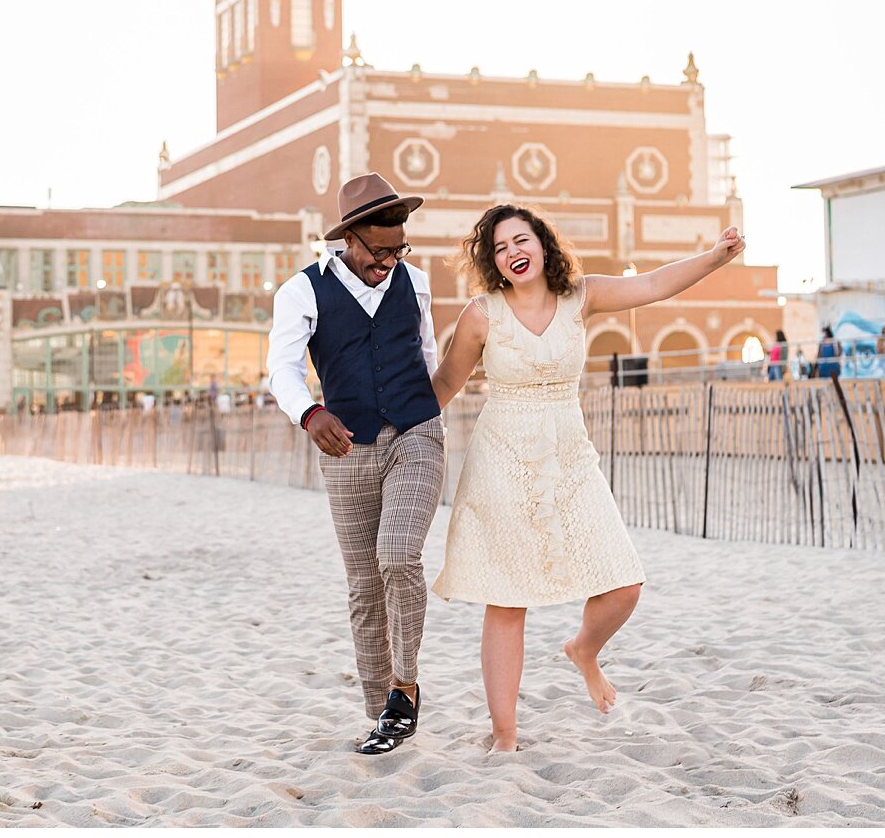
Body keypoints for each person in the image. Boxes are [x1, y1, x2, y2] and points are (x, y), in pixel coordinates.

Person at [429, 204, 745, 753]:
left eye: (521, 240)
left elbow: (651, 284)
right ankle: (505, 735)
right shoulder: (482, 315)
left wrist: (714, 259)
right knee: (507, 601)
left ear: (543, 244)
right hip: (502, 460)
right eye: (500, 248)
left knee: (624, 584)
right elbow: (440, 389)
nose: (513, 253)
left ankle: (584, 650)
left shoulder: (581, 296)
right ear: (493, 261)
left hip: (571, 459)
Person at [267, 172, 444, 756]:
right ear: (348, 239)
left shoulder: (415, 283)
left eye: (399, 249)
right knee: (365, 585)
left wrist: (423, 413)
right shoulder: (302, 291)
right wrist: (309, 414)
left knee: (398, 555)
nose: (389, 261)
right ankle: (382, 714)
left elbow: (427, 355)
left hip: (416, 434)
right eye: (379, 250)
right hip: (343, 446)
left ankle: (404, 689)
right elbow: (283, 370)